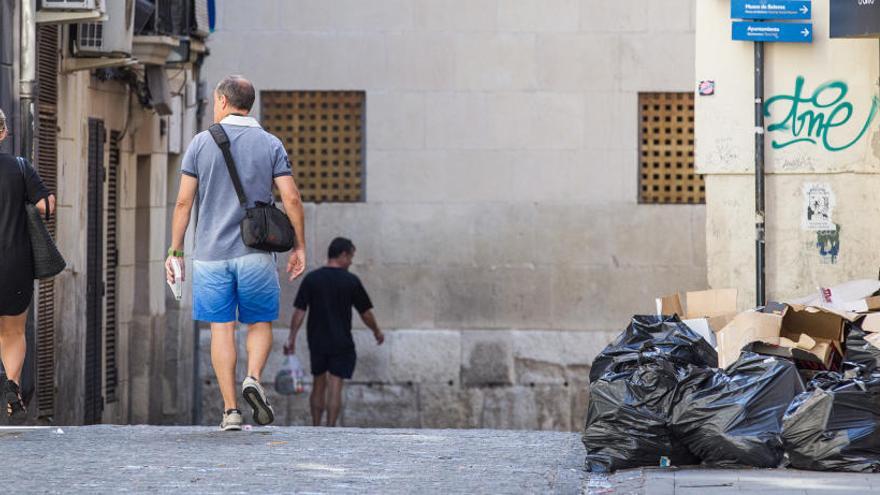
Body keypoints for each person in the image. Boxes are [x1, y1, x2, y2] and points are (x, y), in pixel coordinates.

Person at [166, 75, 307, 431]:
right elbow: (291, 197)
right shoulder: (270, 143)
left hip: (211, 254)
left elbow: (184, 201)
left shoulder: (200, 143)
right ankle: (254, 378)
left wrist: (176, 249)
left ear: (223, 102)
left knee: (221, 328)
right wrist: (300, 246)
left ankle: (230, 411)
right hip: (256, 253)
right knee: (259, 322)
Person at [285, 237, 384, 427]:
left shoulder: (312, 279)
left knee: (318, 383)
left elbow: (299, 311)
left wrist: (291, 338)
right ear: (343, 255)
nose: (352, 262)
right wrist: (376, 331)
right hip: (341, 340)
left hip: (317, 339)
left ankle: (316, 426)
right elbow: (365, 313)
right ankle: (330, 427)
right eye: (351, 257)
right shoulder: (351, 281)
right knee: (335, 385)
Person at [0, 108, 55, 419]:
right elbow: (47, 205)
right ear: (3, 133)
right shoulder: (20, 167)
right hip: (15, 263)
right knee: (13, 332)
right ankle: (12, 387)